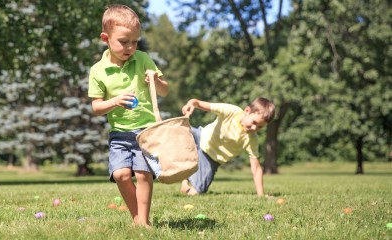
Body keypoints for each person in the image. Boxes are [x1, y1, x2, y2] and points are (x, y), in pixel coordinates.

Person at [88, 4, 168, 227]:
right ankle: (138, 218)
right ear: (106, 38)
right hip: (119, 134)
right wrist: (114, 102)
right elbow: (96, 107)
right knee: (121, 175)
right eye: (124, 41)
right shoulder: (98, 70)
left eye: (135, 41)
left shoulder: (142, 59)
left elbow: (164, 90)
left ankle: (142, 221)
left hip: (146, 131)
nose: (130, 47)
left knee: (144, 175)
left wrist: (156, 79)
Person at [179, 97, 275, 196]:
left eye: (260, 127)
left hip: (211, 158)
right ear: (247, 111)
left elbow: (256, 168)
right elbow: (197, 103)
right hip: (200, 136)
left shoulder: (251, 139)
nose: (255, 128)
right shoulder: (232, 111)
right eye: (254, 122)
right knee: (177, 130)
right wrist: (191, 104)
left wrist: (261, 195)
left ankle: (185, 184)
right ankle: (180, 178)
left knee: (195, 192)